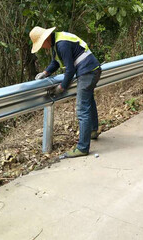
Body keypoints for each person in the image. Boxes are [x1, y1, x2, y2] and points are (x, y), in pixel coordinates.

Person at [29, 26, 101, 158]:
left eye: (41, 45)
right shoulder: (59, 40)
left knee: (82, 109)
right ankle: (92, 131)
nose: (43, 48)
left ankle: (82, 148)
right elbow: (56, 62)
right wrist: (45, 73)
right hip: (92, 69)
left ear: (45, 40)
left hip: (87, 72)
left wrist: (61, 87)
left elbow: (70, 70)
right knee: (89, 100)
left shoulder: (61, 44)